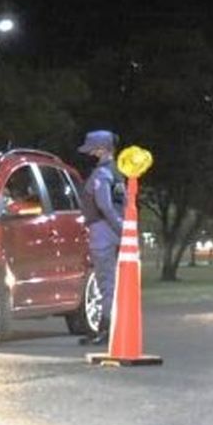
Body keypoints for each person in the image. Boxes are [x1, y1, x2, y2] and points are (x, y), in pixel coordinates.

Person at [77, 129, 125, 345]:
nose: (90, 153)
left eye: (93, 149)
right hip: (112, 231)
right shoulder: (117, 172)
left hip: (103, 231)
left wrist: (119, 230)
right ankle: (106, 327)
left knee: (106, 282)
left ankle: (105, 329)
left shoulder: (102, 174)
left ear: (102, 149)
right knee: (109, 281)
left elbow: (104, 205)